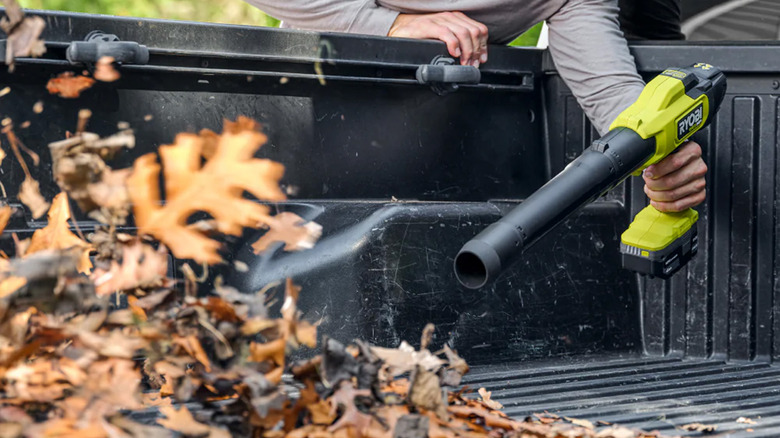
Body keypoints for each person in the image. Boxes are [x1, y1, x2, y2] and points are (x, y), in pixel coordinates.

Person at [245, 0, 707, 213]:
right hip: (327, 98)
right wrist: (389, 23)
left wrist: (660, 153)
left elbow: (609, 88)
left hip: (443, 134)